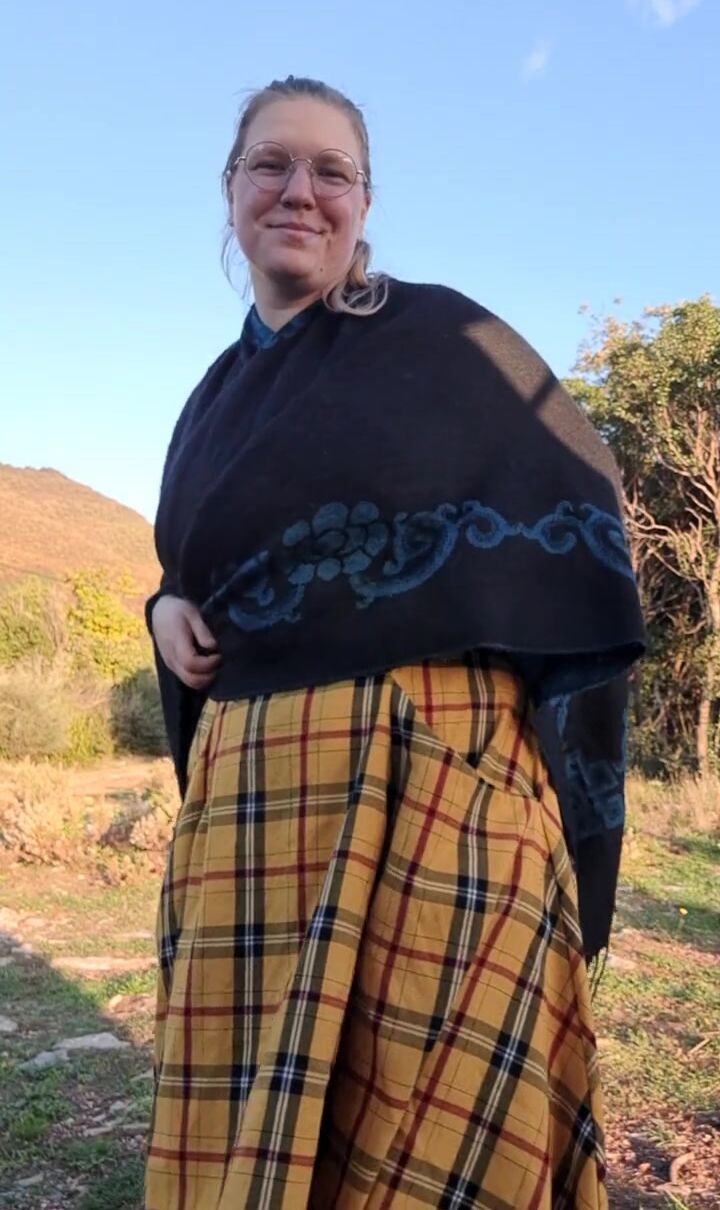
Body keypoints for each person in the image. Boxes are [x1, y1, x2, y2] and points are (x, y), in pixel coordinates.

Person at [145, 76, 644, 1210]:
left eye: (333, 172)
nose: (300, 191)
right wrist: (164, 605)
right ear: (230, 188)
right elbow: (207, 560)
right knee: (260, 1126)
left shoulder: (448, 342)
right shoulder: (210, 401)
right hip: (255, 814)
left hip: (446, 795)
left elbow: (583, 511)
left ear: (366, 202)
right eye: (272, 164)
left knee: (440, 1135)